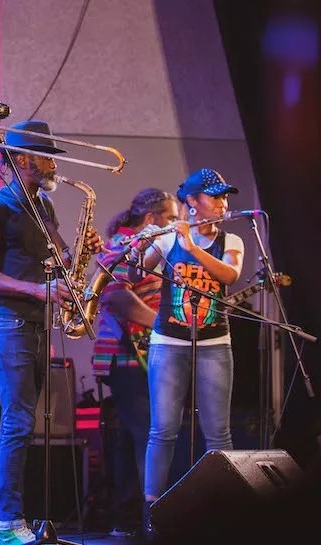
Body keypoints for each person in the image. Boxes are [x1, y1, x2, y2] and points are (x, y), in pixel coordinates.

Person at [0, 120, 102, 545]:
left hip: (37, 321)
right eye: (46, 157)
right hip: (7, 319)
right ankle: (5, 525)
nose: (52, 165)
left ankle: (18, 521)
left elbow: (57, 257)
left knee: (28, 422)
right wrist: (37, 290)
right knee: (18, 421)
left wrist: (82, 252)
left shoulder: (42, 206)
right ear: (22, 159)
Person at [130, 169, 244, 538]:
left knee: (218, 433)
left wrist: (192, 248)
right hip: (169, 342)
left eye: (225, 197)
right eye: (215, 197)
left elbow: (229, 276)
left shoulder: (233, 240)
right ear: (192, 202)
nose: (223, 204)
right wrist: (142, 245)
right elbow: (137, 273)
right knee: (162, 430)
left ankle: (220, 511)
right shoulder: (168, 239)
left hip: (214, 343)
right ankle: (153, 512)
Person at [89, 188, 179, 536]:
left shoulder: (149, 247)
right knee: (147, 435)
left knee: (131, 439)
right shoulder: (123, 245)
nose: (175, 224)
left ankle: (125, 520)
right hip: (128, 356)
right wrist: (162, 324)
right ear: (152, 218)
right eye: (170, 218)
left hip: (137, 355)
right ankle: (152, 521)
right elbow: (114, 296)